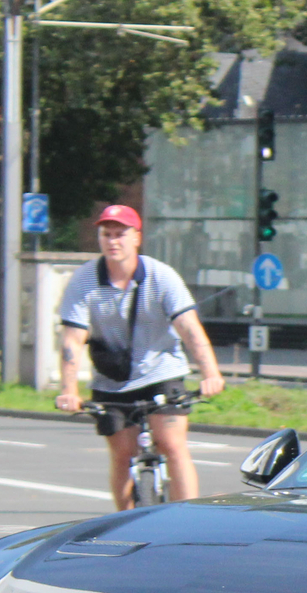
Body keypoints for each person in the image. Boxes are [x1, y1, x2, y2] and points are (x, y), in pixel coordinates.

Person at [55, 204, 226, 507]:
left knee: (172, 445)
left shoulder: (161, 277)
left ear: (137, 238)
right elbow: (72, 340)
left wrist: (211, 374)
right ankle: (123, 523)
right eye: (106, 234)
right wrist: (69, 391)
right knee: (122, 455)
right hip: (112, 381)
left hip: (162, 373)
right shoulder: (84, 281)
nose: (113, 241)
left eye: (121, 234)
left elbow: (189, 329)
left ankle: (187, 519)